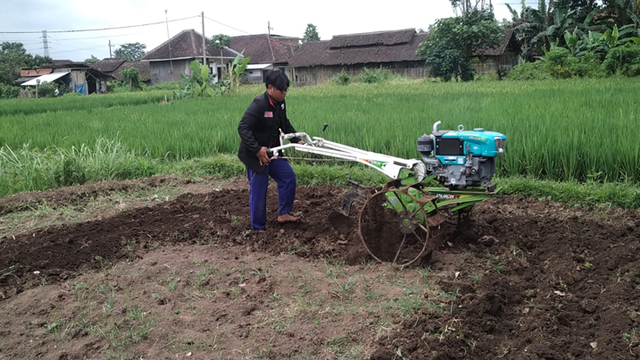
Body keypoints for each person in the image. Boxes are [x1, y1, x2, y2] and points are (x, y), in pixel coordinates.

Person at [237, 70, 303, 231]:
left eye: (286, 90)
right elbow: (243, 128)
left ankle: (284, 214)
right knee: (259, 190)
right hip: (255, 155)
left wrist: (297, 139)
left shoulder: (280, 103)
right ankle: (258, 228)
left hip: (273, 152)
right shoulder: (259, 104)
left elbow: (284, 123)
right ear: (270, 88)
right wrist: (258, 149)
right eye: (282, 90)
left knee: (288, 178)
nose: (285, 93)